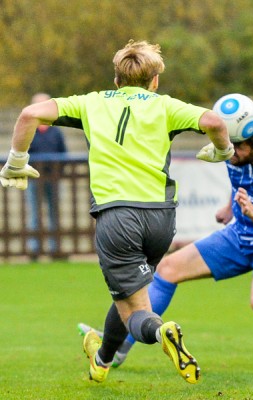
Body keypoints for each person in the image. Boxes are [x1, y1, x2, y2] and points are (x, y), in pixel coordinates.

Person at [0, 39, 234, 384]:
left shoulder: (92, 103)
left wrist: (17, 162)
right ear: (154, 80)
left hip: (117, 217)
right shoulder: (165, 106)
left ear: (116, 79)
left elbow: (30, 114)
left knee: (138, 314)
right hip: (161, 219)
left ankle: (160, 331)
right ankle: (102, 362)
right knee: (126, 294)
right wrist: (222, 151)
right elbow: (214, 120)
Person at [78, 108, 253, 370]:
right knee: (167, 269)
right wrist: (231, 207)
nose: (230, 151)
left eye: (238, 147)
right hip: (238, 237)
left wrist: (252, 212)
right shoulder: (235, 154)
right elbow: (241, 183)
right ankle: (121, 348)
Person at [25, 93, 68, 259]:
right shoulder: (28, 129)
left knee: (54, 214)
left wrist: (59, 173)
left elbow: (63, 153)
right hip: (34, 179)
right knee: (34, 214)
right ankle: (33, 249)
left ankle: (54, 248)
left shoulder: (56, 132)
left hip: (54, 180)